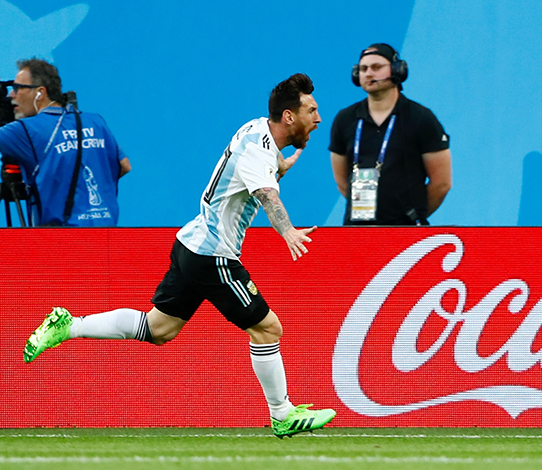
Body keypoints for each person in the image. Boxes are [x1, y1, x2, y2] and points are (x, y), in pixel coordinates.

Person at [22, 73, 336, 438]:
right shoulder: (259, 151)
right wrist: (288, 231)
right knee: (267, 329)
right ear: (289, 116)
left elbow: (259, 168)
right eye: (312, 110)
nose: (318, 118)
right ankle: (282, 413)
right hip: (213, 254)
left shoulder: (255, 129)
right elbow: (267, 196)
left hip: (192, 245)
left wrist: (279, 167)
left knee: (158, 329)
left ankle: (68, 325)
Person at [329, 43, 451, 226]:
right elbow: (341, 181)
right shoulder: (345, 119)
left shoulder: (421, 118)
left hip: (406, 230)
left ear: (397, 70)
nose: (369, 73)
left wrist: (413, 215)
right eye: (363, 69)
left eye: (376, 67)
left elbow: (441, 183)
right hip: (356, 230)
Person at [0, 58, 130, 226]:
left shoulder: (25, 130)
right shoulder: (95, 122)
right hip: (107, 233)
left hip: (63, 237)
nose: (11, 95)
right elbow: (124, 165)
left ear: (40, 92)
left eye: (17, 88)